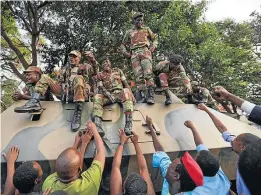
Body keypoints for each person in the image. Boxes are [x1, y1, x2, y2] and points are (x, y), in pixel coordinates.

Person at [14, 50, 99, 132]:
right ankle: (34, 102)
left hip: (80, 94)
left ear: (79, 58)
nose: (71, 58)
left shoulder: (85, 67)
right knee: (44, 77)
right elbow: (59, 82)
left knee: (78, 78)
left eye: (74, 57)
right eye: (70, 56)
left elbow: (95, 71)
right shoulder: (65, 69)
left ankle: (78, 112)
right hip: (65, 93)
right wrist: (63, 86)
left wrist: (92, 59)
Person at [198, 103, 260, 195]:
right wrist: (207, 110)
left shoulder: (253, 168)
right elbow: (223, 129)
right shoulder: (244, 150)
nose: (232, 140)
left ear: (242, 147)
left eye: (235, 140)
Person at [42, 121, 105, 195]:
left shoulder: (47, 185)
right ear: (79, 169)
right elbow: (101, 151)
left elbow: (70, 167)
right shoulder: (89, 183)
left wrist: (77, 145)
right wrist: (94, 129)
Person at [146, 116, 203, 194]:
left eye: (170, 165)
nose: (167, 165)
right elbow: (160, 151)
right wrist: (150, 126)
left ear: (176, 176)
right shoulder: (172, 174)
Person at [92, 56, 135, 137]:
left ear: (110, 62)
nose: (105, 64)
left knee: (126, 91)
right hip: (108, 96)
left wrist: (132, 95)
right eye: (103, 63)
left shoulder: (118, 71)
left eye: (107, 61)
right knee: (97, 97)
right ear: (101, 66)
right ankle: (97, 126)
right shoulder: (99, 75)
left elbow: (125, 84)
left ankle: (128, 124)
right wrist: (108, 94)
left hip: (119, 94)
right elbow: (101, 88)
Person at [184, 120, 231, 194]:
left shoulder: (197, 192)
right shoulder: (218, 172)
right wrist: (192, 128)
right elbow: (201, 147)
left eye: (194, 161)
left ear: (197, 170)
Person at [120, 12, 158, 104]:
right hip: (134, 54)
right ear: (134, 21)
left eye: (141, 20)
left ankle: (150, 96)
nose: (140, 22)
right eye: (138, 20)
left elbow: (155, 38)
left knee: (148, 74)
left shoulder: (146, 29)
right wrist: (125, 52)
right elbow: (122, 44)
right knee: (138, 77)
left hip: (145, 51)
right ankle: (142, 96)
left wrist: (154, 45)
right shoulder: (129, 32)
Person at [110, 129, 155, 195]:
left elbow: (115, 167)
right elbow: (143, 169)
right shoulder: (151, 193)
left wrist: (121, 143)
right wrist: (136, 143)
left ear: (124, 190)